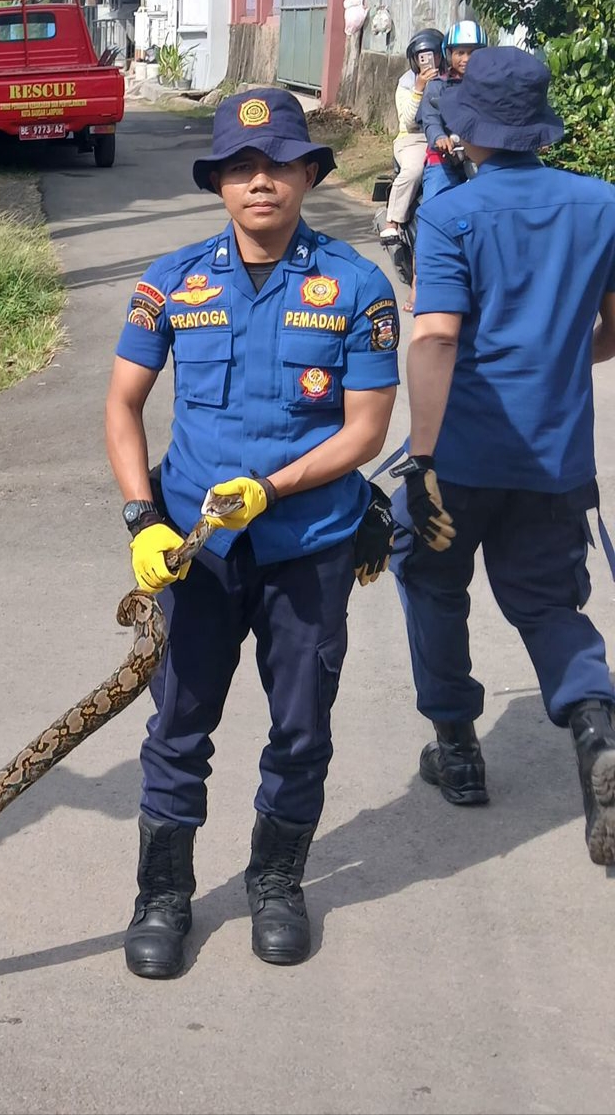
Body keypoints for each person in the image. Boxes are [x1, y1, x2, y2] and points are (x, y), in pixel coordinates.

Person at [104, 88, 399, 979]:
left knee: (301, 726)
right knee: (177, 723)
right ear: (219, 184)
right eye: (240, 166)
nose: (260, 181)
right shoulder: (173, 281)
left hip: (308, 545)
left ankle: (276, 880)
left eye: (277, 164)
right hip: (196, 551)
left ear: (309, 173)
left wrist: (271, 488)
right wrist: (141, 518)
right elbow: (122, 405)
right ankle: (162, 893)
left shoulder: (356, 285)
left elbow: (365, 432)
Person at [391, 46, 615, 867]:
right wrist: (560, 356)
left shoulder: (453, 213)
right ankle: (596, 727)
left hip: (463, 452)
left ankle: (457, 749)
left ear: (470, 127)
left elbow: (436, 337)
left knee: (431, 580)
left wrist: (420, 456)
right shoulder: (603, 205)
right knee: (550, 603)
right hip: (556, 455)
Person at [382, 28, 444, 249]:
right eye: (422, 56)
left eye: (434, 54)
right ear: (414, 59)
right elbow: (408, 120)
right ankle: (392, 221)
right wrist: (419, 88)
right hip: (414, 138)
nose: (428, 60)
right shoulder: (407, 82)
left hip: (446, 135)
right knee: (414, 170)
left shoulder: (450, 78)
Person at [415, 21, 487, 207]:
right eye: (460, 53)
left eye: (473, 53)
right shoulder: (437, 86)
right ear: (449, 54)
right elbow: (430, 119)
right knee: (433, 210)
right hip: (443, 159)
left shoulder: (489, 85)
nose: (466, 59)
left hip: (481, 158)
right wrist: (439, 137)